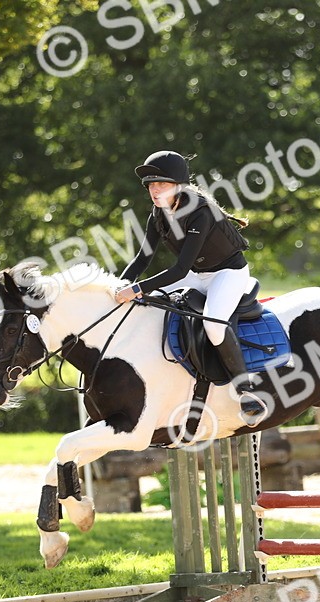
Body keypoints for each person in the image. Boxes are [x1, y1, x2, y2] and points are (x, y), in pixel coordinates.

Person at [114, 150, 269, 424]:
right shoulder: (157, 214)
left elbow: (179, 269)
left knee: (213, 324)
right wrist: (118, 286)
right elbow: (143, 259)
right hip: (197, 274)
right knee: (153, 307)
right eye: (151, 185)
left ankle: (246, 390)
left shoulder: (200, 213)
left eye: (161, 184)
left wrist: (138, 289)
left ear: (179, 186)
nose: (154, 190)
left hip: (227, 273)